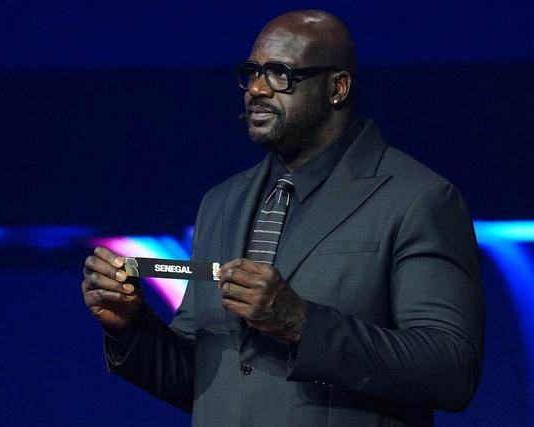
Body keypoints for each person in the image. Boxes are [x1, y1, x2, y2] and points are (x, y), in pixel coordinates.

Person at [81, 9, 484, 427]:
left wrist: (302, 324)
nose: (256, 89)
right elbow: (209, 382)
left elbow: (452, 371)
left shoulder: (417, 198)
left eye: (279, 74)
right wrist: (131, 327)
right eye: (252, 73)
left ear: (337, 88)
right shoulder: (221, 202)